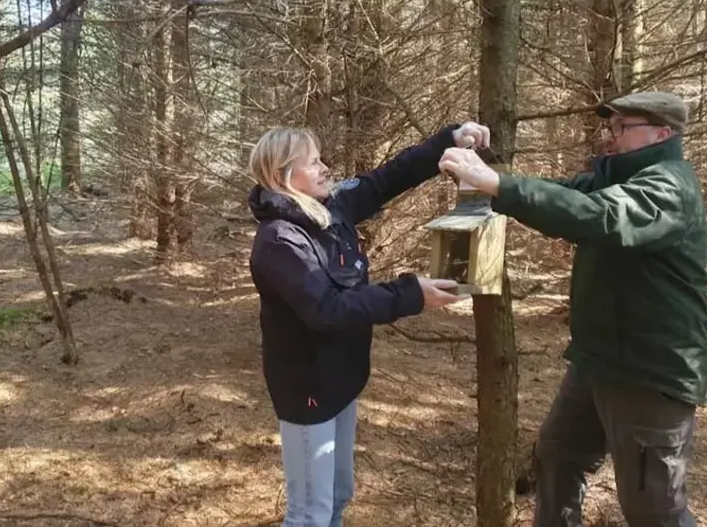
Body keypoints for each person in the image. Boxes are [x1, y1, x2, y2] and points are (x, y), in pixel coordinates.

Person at [438, 91, 707, 527]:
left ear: (662, 133)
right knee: (558, 458)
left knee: (655, 510)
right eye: (610, 127)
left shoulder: (669, 186)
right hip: (599, 360)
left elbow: (599, 216)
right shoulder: (618, 177)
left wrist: (497, 185)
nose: (609, 137)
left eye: (622, 127)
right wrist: (485, 176)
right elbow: (560, 196)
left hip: (649, 371)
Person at [247, 121, 489, 526]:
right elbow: (327, 310)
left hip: (342, 381)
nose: (325, 168)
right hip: (309, 391)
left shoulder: (329, 208)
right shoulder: (280, 241)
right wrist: (411, 295)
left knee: (338, 496)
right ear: (281, 177)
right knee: (309, 513)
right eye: (313, 162)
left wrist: (448, 142)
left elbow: (384, 180)